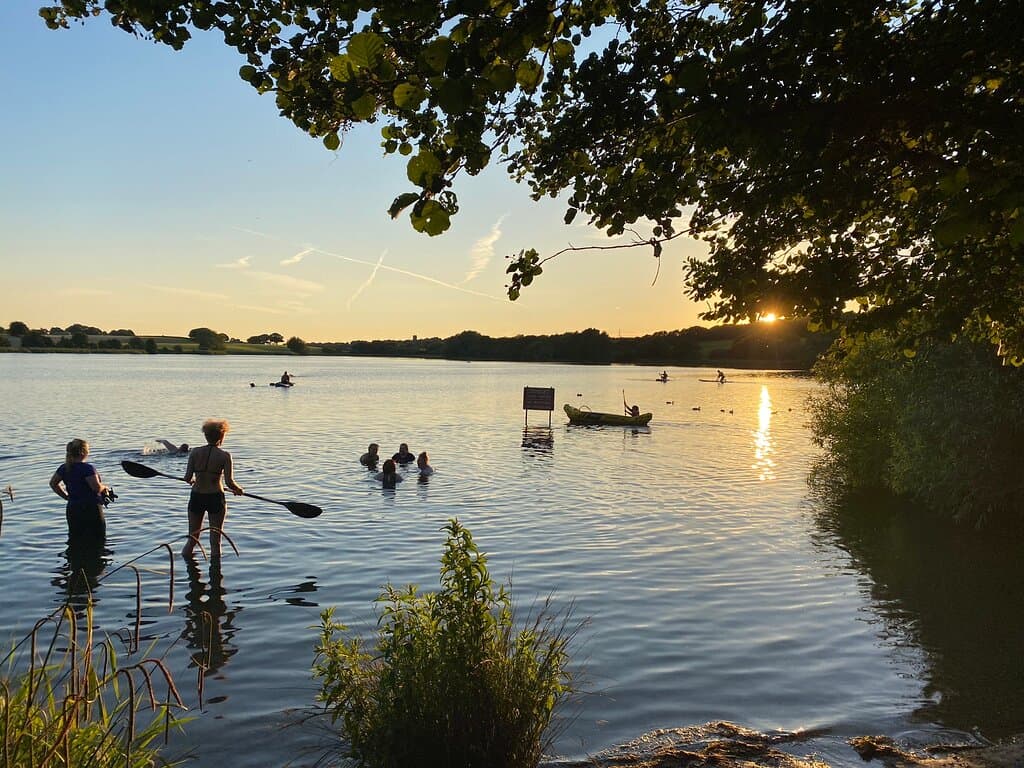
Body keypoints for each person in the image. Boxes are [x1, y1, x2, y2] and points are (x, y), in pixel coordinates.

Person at [182, 419, 243, 558]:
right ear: (222, 436)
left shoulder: (195, 452)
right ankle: (215, 570)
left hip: (197, 496)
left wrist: (192, 480)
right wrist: (238, 489)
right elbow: (229, 482)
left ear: (206, 435)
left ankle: (187, 565)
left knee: (192, 538)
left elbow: (187, 477)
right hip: (215, 497)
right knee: (216, 542)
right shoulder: (225, 456)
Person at [49, 438, 112, 540]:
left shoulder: (64, 468)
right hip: (91, 509)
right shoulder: (87, 468)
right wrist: (104, 487)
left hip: (73, 508)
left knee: (75, 538)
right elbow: (96, 488)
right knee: (98, 539)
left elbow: (53, 484)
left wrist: (66, 497)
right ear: (83, 452)